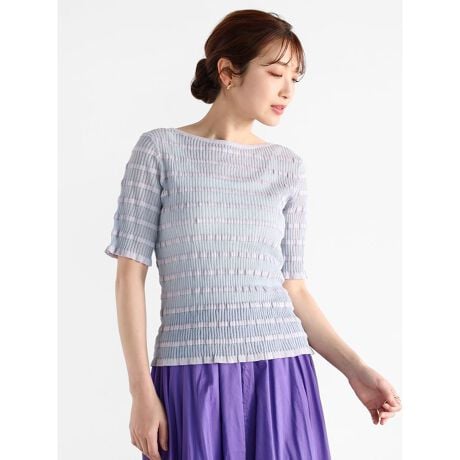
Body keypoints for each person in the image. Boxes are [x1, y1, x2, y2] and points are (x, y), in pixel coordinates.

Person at [104, 9, 402, 460]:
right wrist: (141, 392)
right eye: (276, 73)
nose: (288, 91)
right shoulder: (159, 151)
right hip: (191, 374)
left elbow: (294, 289)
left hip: (281, 374)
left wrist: (356, 371)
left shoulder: (286, 167)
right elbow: (130, 276)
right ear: (228, 71)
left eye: (295, 79)